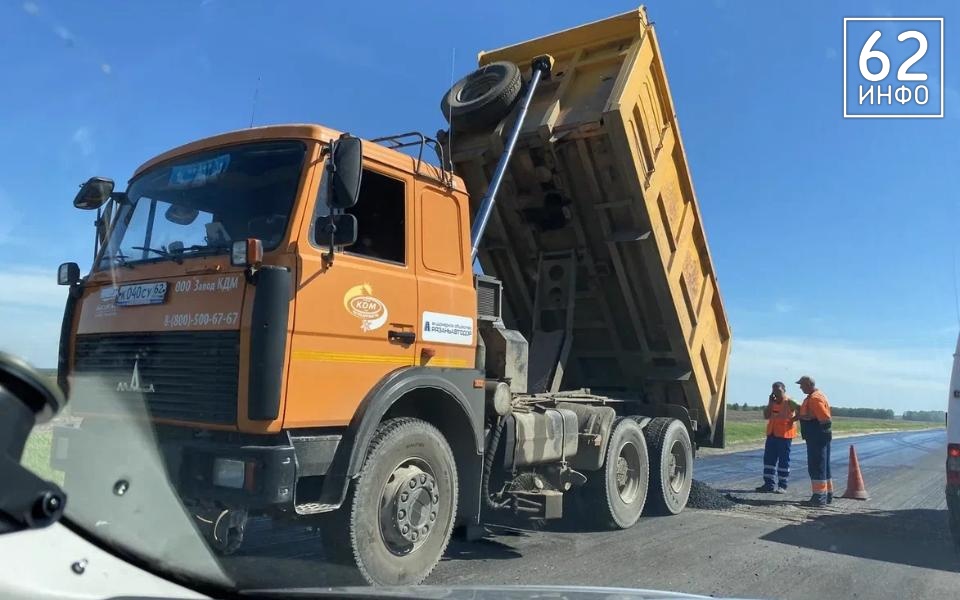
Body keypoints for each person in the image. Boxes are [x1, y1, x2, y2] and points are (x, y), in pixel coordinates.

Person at [794, 375, 833, 506]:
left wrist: (808, 419)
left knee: (816, 466)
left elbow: (824, 418)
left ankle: (819, 498)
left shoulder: (815, 398)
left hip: (816, 436)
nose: (800, 387)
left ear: (809, 384)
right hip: (820, 436)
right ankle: (827, 495)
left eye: (802, 385)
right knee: (824, 466)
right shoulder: (815, 396)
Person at [755, 382, 798, 493]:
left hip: (785, 436)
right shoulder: (772, 402)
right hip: (772, 434)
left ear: (784, 390)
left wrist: (793, 420)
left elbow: (802, 410)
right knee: (769, 460)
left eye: (778, 390)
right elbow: (766, 415)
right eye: (774, 390)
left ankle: (782, 486)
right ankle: (768, 484)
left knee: (783, 461)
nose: (776, 392)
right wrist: (770, 403)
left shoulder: (790, 401)